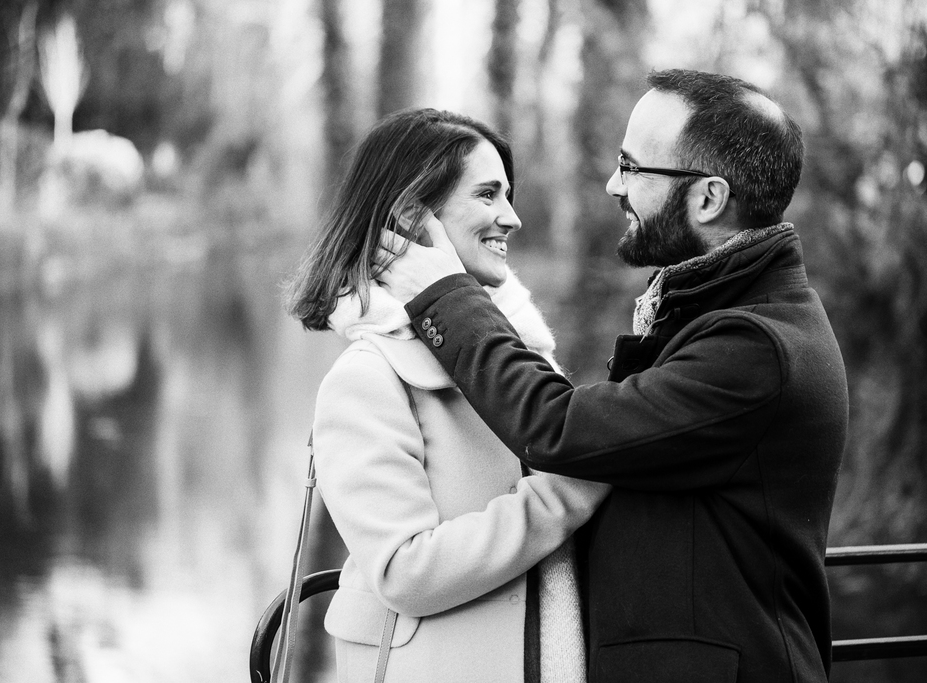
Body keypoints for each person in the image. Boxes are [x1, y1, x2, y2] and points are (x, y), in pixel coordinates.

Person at [377, 69, 850, 683]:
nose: (612, 184)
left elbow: (558, 428)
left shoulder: (755, 347)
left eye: (633, 168)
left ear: (707, 198)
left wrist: (446, 295)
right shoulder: (714, 313)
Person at [284, 108, 610, 683]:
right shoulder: (367, 378)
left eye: (507, 195)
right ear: (415, 217)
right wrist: (567, 492)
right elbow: (405, 571)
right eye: (487, 195)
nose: (510, 217)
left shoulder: (519, 349)